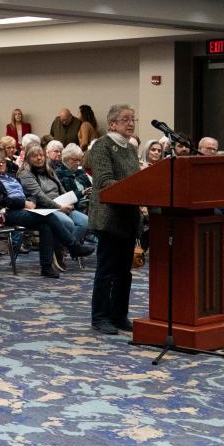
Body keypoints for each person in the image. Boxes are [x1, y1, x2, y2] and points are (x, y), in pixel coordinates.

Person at [0, 151, 92, 279]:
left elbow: (30, 194)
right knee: (47, 216)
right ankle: (73, 246)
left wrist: (31, 201)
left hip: (23, 209)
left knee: (45, 225)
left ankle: (46, 267)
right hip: (5, 213)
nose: (1, 164)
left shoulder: (11, 177)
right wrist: (23, 203)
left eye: (3, 161)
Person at [87, 105, 142, 335]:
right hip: (109, 217)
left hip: (128, 217)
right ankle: (100, 317)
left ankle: (119, 315)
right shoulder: (102, 146)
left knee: (124, 272)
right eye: (125, 119)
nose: (130, 123)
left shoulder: (129, 148)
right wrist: (133, 190)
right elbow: (104, 181)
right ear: (112, 124)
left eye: (132, 119)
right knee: (107, 270)